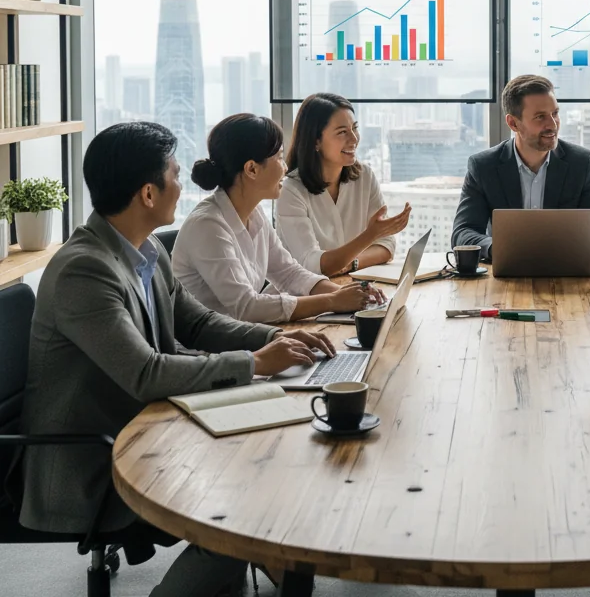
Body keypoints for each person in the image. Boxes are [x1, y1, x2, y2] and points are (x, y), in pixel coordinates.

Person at [14, 121, 337, 597]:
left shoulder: (145, 250)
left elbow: (199, 324)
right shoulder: (84, 270)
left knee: (267, 467)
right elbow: (145, 373)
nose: (182, 186)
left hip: (146, 422)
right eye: (174, 175)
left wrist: (276, 338)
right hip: (90, 459)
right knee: (240, 512)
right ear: (148, 193)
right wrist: (255, 363)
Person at [173, 114, 384, 322]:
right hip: (209, 342)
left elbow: (289, 273)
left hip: (242, 334)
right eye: (280, 158)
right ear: (252, 169)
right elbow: (247, 307)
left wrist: (347, 294)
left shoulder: (254, 213)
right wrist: (332, 301)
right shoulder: (208, 226)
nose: (285, 168)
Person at [451, 75, 590, 260]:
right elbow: (463, 232)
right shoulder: (484, 166)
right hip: (506, 271)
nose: (552, 124)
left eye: (555, 113)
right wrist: (500, 249)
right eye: (540, 117)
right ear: (513, 123)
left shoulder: (582, 163)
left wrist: (587, 248)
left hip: (567, 269)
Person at [276, 93, 411, 277]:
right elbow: (312, 264)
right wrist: (370, 235)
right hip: (306, 293)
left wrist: (351, 264)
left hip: (349, 286)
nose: (354, 139)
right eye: (342, 132)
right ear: (316, 141)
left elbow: (386, 246)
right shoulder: (291, 191)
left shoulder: (364, 177)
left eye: (354, 128)